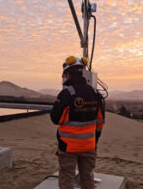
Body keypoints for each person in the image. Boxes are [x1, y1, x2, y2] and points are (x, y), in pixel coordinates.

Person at [50, 56, 105, 189]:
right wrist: (93, 139)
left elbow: (56, 119)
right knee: (87, 176)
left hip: (68, 146)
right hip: (89, 145)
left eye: (65, 75)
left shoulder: (66, 94)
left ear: (68, 74)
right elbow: (100, 122)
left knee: (67, 177)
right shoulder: (95, 93)